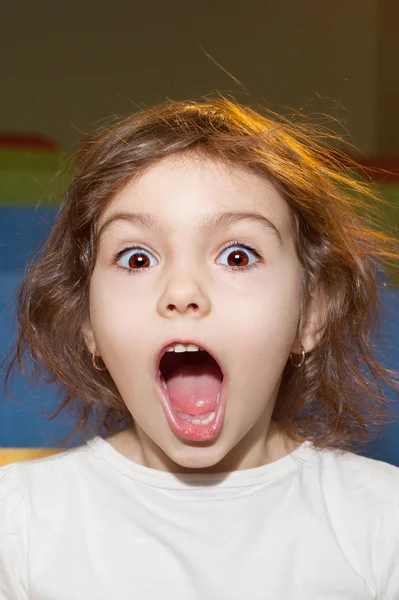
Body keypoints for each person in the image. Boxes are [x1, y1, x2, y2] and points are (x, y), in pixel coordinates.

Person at [0, 97, 398, 599]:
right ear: (88, 324)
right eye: (138, 258)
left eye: (236, 255)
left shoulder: (382, 524)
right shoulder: (19, 527)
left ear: (310, 314)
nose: (182, 291)